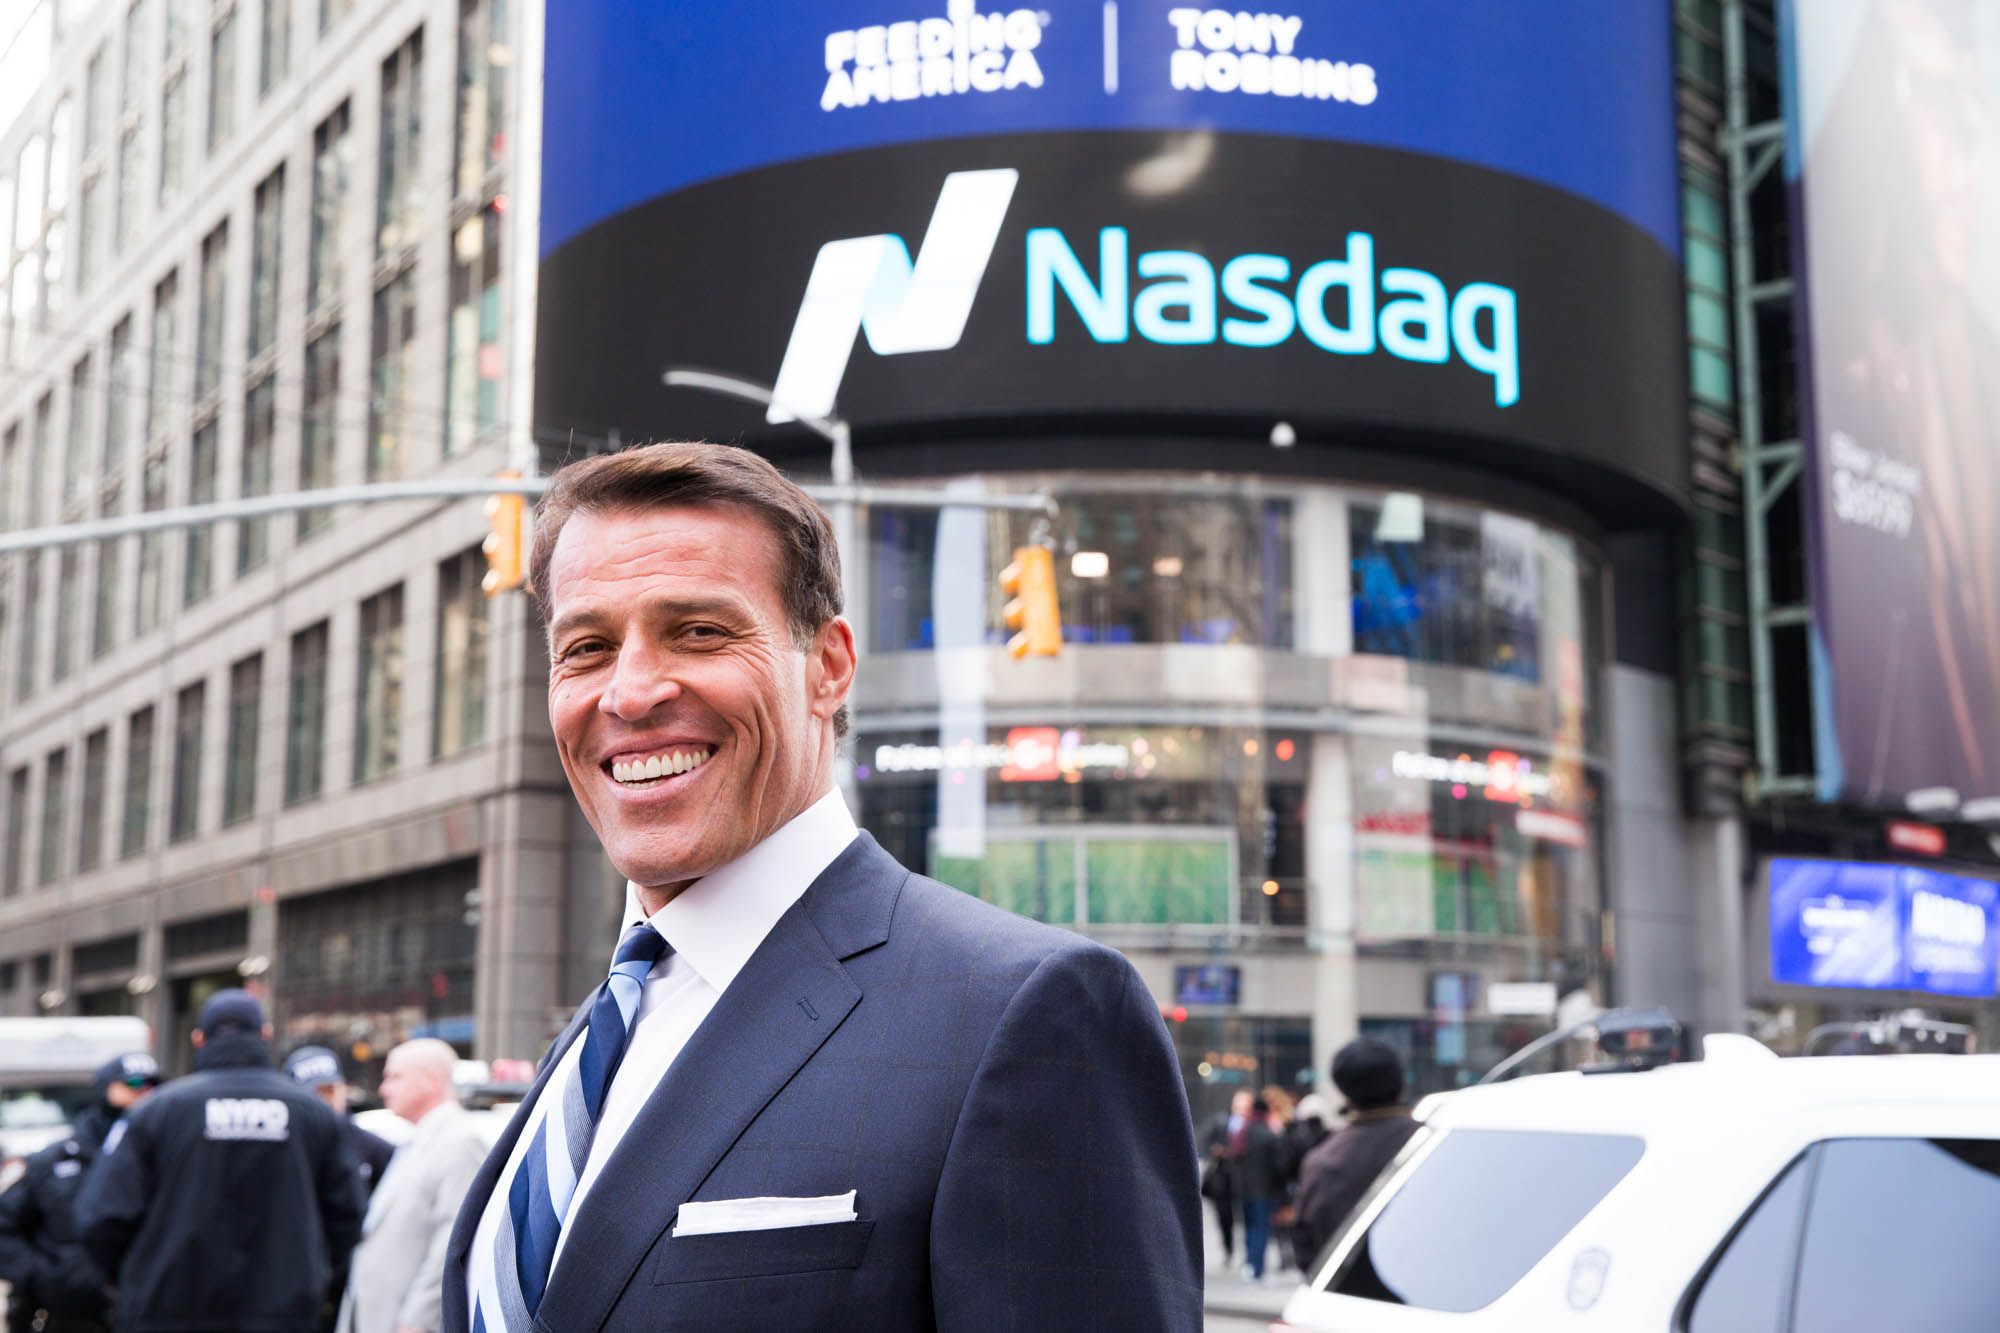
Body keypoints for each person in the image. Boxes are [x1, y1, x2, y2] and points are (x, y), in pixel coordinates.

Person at [442, 443, 1201, 1331]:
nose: (633, 691)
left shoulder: (1029, 1010)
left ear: (829, 665)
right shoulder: (599, 1034)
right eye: (587, 646)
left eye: (699, 630)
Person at [74, 989, 364, 1332]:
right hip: (283, 1313)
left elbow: (101, 1217)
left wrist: (141, 1278)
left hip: (169, 1311)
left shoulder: (157, 1112)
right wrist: (309, 1278)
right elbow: (348, 1215)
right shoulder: (314, 1115)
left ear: (199, 1039)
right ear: (265, 1035)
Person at [0, 1052, 159, 1332]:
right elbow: (5, 1226)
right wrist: (41, 1277)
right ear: (106, 1088)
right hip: (63, 1315)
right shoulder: (53, 1161)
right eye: (132, 1085)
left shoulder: (164, 1162)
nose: (143, 1094)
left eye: (151, 1086)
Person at [337, 1039, 487, 1333]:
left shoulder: (460, 1142)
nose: (383, 1089)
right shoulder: (420, 1138)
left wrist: (418, 1319)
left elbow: (451, 1240)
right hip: (378, 1316)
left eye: (395, 1077)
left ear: (431, 1080)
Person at [1291, 1038, 1423, 1264]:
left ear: (1344, 1091)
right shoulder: (1434, 1143)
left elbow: (1307, 1246)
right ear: (1401, 1083)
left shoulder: (1323, 1160)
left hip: (1352, 1290)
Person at [285, 1045, 398, 1203]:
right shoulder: (284, 1151)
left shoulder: (375, 1151)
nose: (323, 1101)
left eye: (329, 1091)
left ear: (343, 1089)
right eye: (313, 1094)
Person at [1235, 1095, 1289, 1282]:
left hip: (1244, 1189)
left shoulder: (1243, 1132)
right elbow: (1280, 1165)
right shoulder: (1269, 1134)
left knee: (1250, 1228)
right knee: (1260, 1229)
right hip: (1264, 1190)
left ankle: (1250, 1264)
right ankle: (1257, 1269)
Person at [1200, 1090, 1251, 1269]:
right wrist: (1217, 1151)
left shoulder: (1253, 1125)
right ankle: (1229, 1249)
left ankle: (1249, 1254)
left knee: (1247, 1216)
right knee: (1225, 1216)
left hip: (1246, 1178)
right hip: (1223, 1178)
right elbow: (1206, 1143)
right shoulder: (1221, 1121)